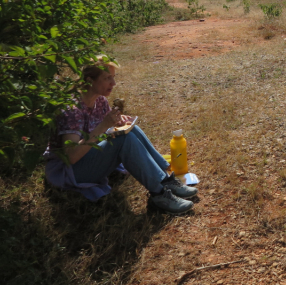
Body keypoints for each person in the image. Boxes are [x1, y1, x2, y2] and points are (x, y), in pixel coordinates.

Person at [44, 58, 199, 213]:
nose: (113, 83)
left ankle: (166, 180)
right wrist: (104, 125)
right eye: (107, 78)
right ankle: (159, 194)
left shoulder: (100, 101)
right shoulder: (72, 110)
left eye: (113, 78)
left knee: (132, 130)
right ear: (90, 80)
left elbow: (105, 131)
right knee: (125, 139)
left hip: (89, 157)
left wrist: (115, 123)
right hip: (70, 171)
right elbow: (71, 156)